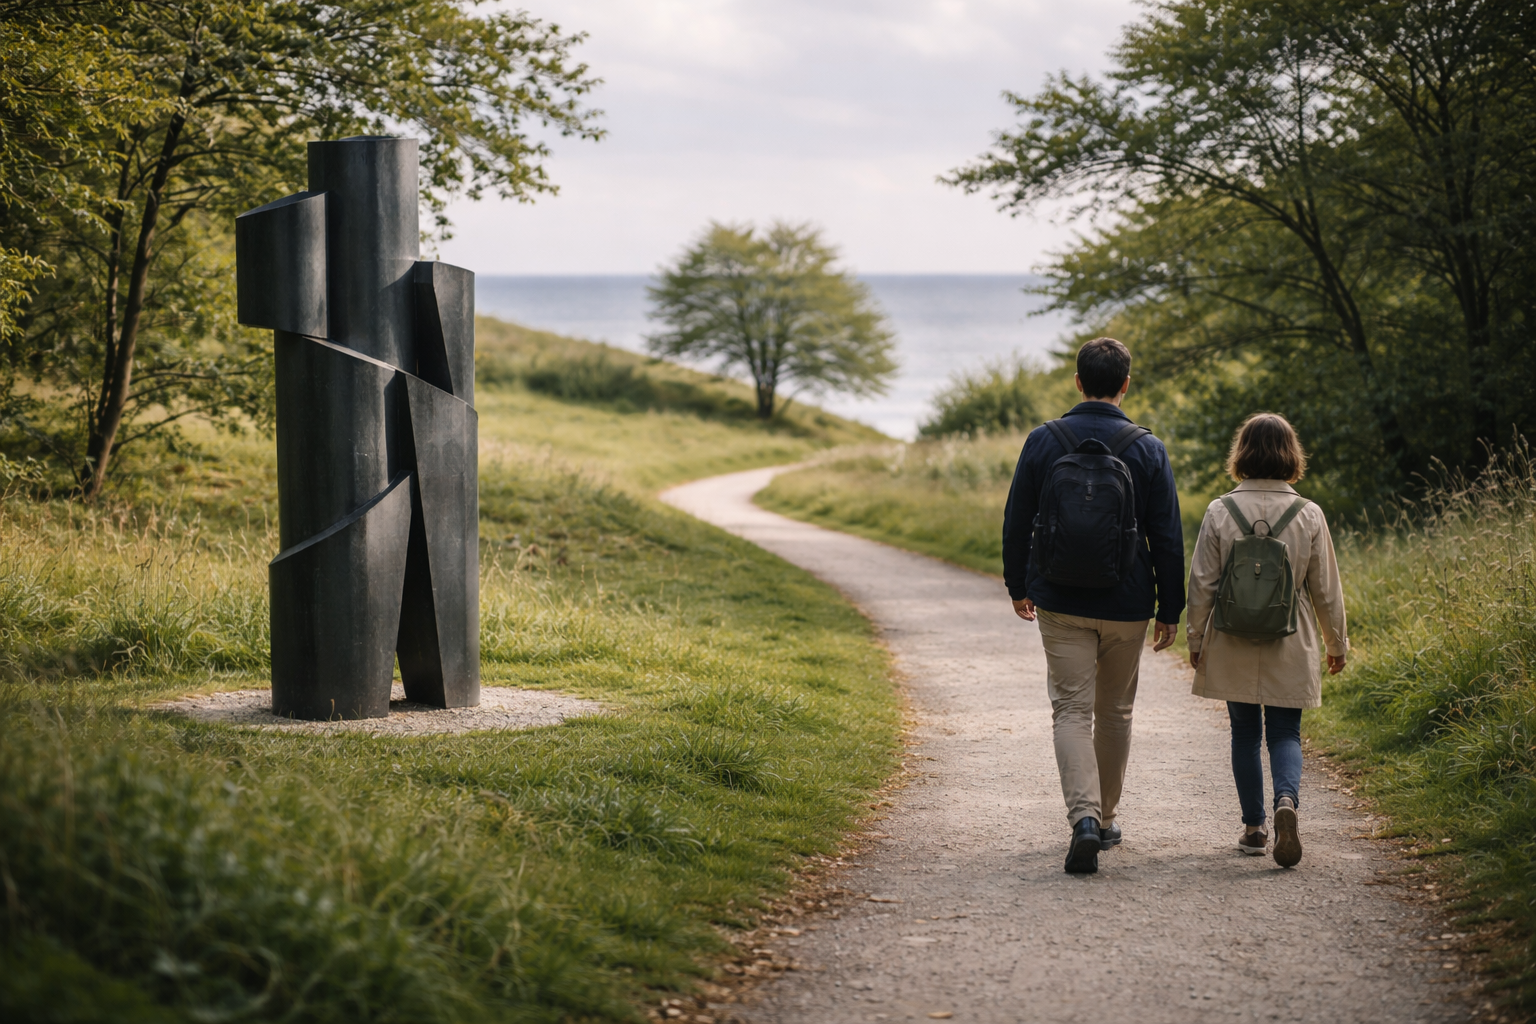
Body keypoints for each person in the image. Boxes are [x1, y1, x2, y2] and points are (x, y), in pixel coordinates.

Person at [1002, 337, 1185, 874]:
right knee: (1115, 713)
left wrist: (1019, 585)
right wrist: (1170, 608)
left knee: (1071, 710)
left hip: (1059, 599)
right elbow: (1167, 536)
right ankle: (1104, 819)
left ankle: (1082, 818)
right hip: (1128, 602)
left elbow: (1016, 521)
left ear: (1077, 382)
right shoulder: (1148, 448)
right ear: (1125, 385)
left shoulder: (1043, 440)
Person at [1185, 413, 1348, 868]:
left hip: (1232, 635)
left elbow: (1202, 584)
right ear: (1291, 455)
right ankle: (1287, 803)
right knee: (1284, 732)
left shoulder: (1220, 510)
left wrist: (1195, 637)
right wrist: (1337, 644)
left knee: (1243, 731)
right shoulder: (1309, 513)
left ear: (1242, 454)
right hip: (1290, 634)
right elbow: (1326, 589)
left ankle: (1255, 828)